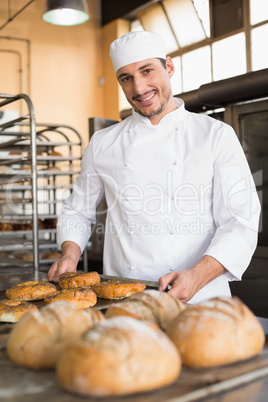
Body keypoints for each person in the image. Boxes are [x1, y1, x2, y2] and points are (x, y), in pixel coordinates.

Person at [48, 31, 260, 303]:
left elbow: (240, 220)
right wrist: (70, 254)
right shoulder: (104, 143)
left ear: (169, 67)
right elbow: (78, 209)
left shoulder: (215, 135)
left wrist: (197, 275)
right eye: (126, 78)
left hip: (200, 298)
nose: (138, 88)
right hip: (126, 298)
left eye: (147, 71)